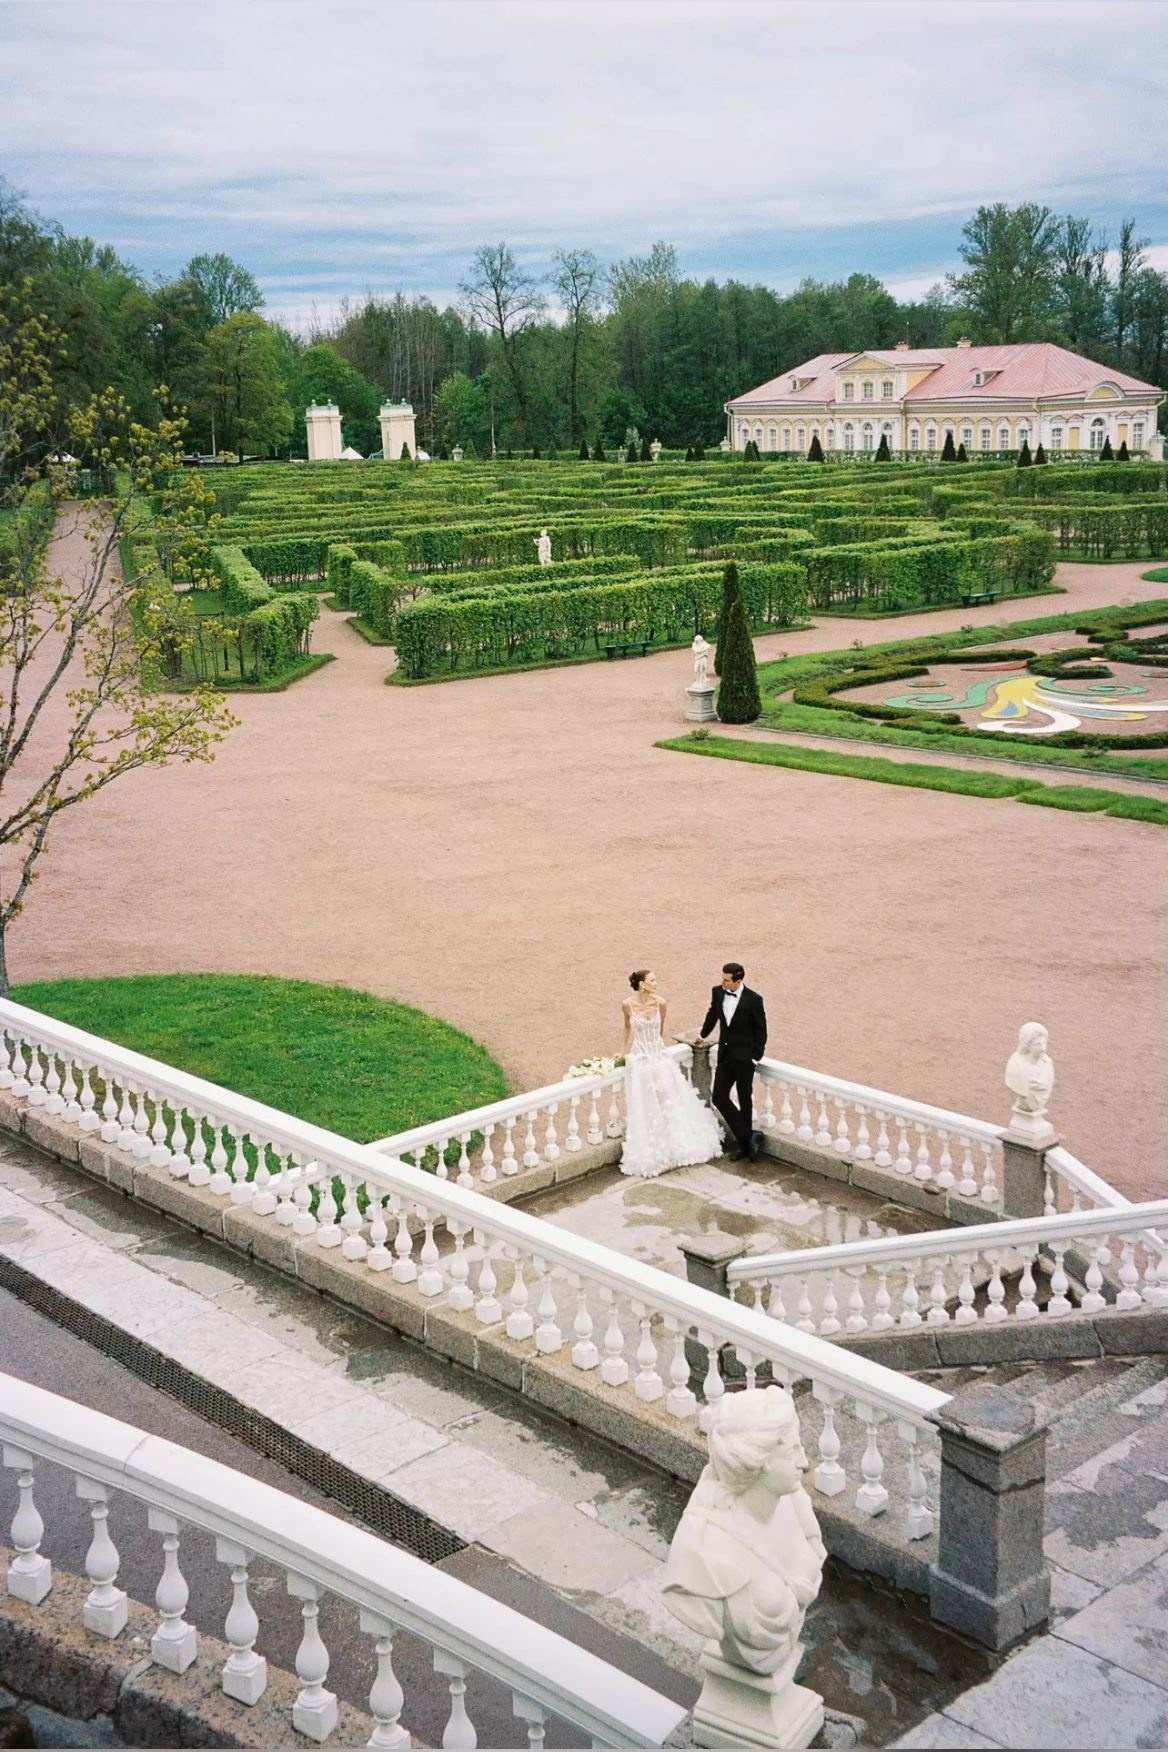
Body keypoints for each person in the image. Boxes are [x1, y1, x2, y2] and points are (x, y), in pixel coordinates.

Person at [663, 1387, 826, 1678]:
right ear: (762, 1460)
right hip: (748, 1665)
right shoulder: (705, 1547)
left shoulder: (794, 1502)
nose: (804, 1462)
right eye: (792, 1450)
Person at [619, 970, 722, 1179]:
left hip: (660, 1058)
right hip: (641, 1060)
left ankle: (678, 1147)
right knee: (646, 1106)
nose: (656, 983)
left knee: (671, 1102)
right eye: (652, 980)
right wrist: (622, 1051)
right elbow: (627, 1028)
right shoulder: (627, 1005)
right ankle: (654, 1151)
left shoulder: (661, 1004)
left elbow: (659, 1032)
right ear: (641, 984)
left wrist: (656, 1050)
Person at [699, 962, 767, 1161]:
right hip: (725, 1055)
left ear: (738, 981)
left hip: (745, 1059)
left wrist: (756, 1057)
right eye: (722, 978)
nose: (722, 983)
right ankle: (749, 1137)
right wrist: (703, 1036)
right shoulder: (718, 992)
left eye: (726, 980)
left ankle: (745, 1148)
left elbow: (761, 1030)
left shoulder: (754, 999)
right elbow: (712, 1015)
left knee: (745, 1100)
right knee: (719, 1097)